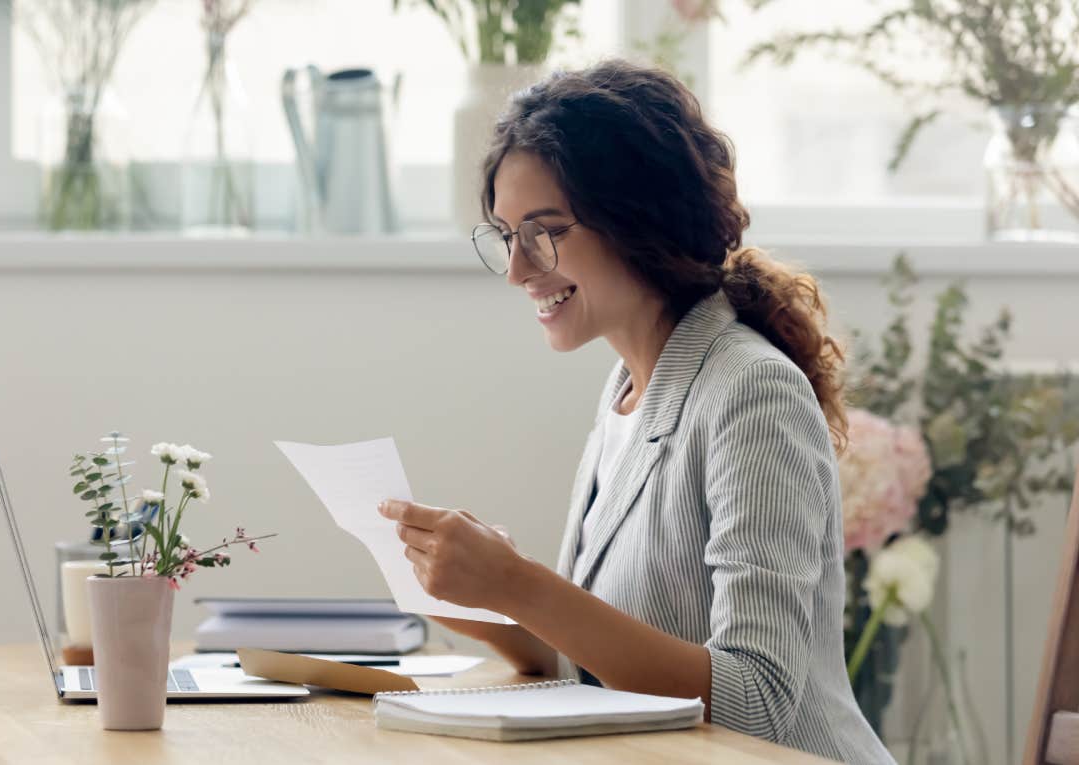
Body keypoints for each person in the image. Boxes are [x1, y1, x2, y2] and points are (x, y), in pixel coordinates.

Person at [377, 60, 894, 764]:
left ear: (636, 218)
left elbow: (757, 704)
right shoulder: (629, 388)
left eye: (545, 231)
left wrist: (521, 582)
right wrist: (492, 604)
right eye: (506, 235)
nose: (518, 269)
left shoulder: (753, 392)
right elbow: (604, 669)